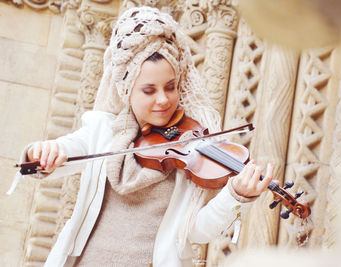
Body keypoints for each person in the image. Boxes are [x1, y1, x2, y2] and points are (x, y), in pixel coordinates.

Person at [15, 6, 274, 267]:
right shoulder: (102, 131)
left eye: (170, 87)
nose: (163, 100)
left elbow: (196, 232)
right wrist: (43, 152)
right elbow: (68, 148)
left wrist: (235, 196)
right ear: (126, 90)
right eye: (149, 90)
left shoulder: (194, 146)